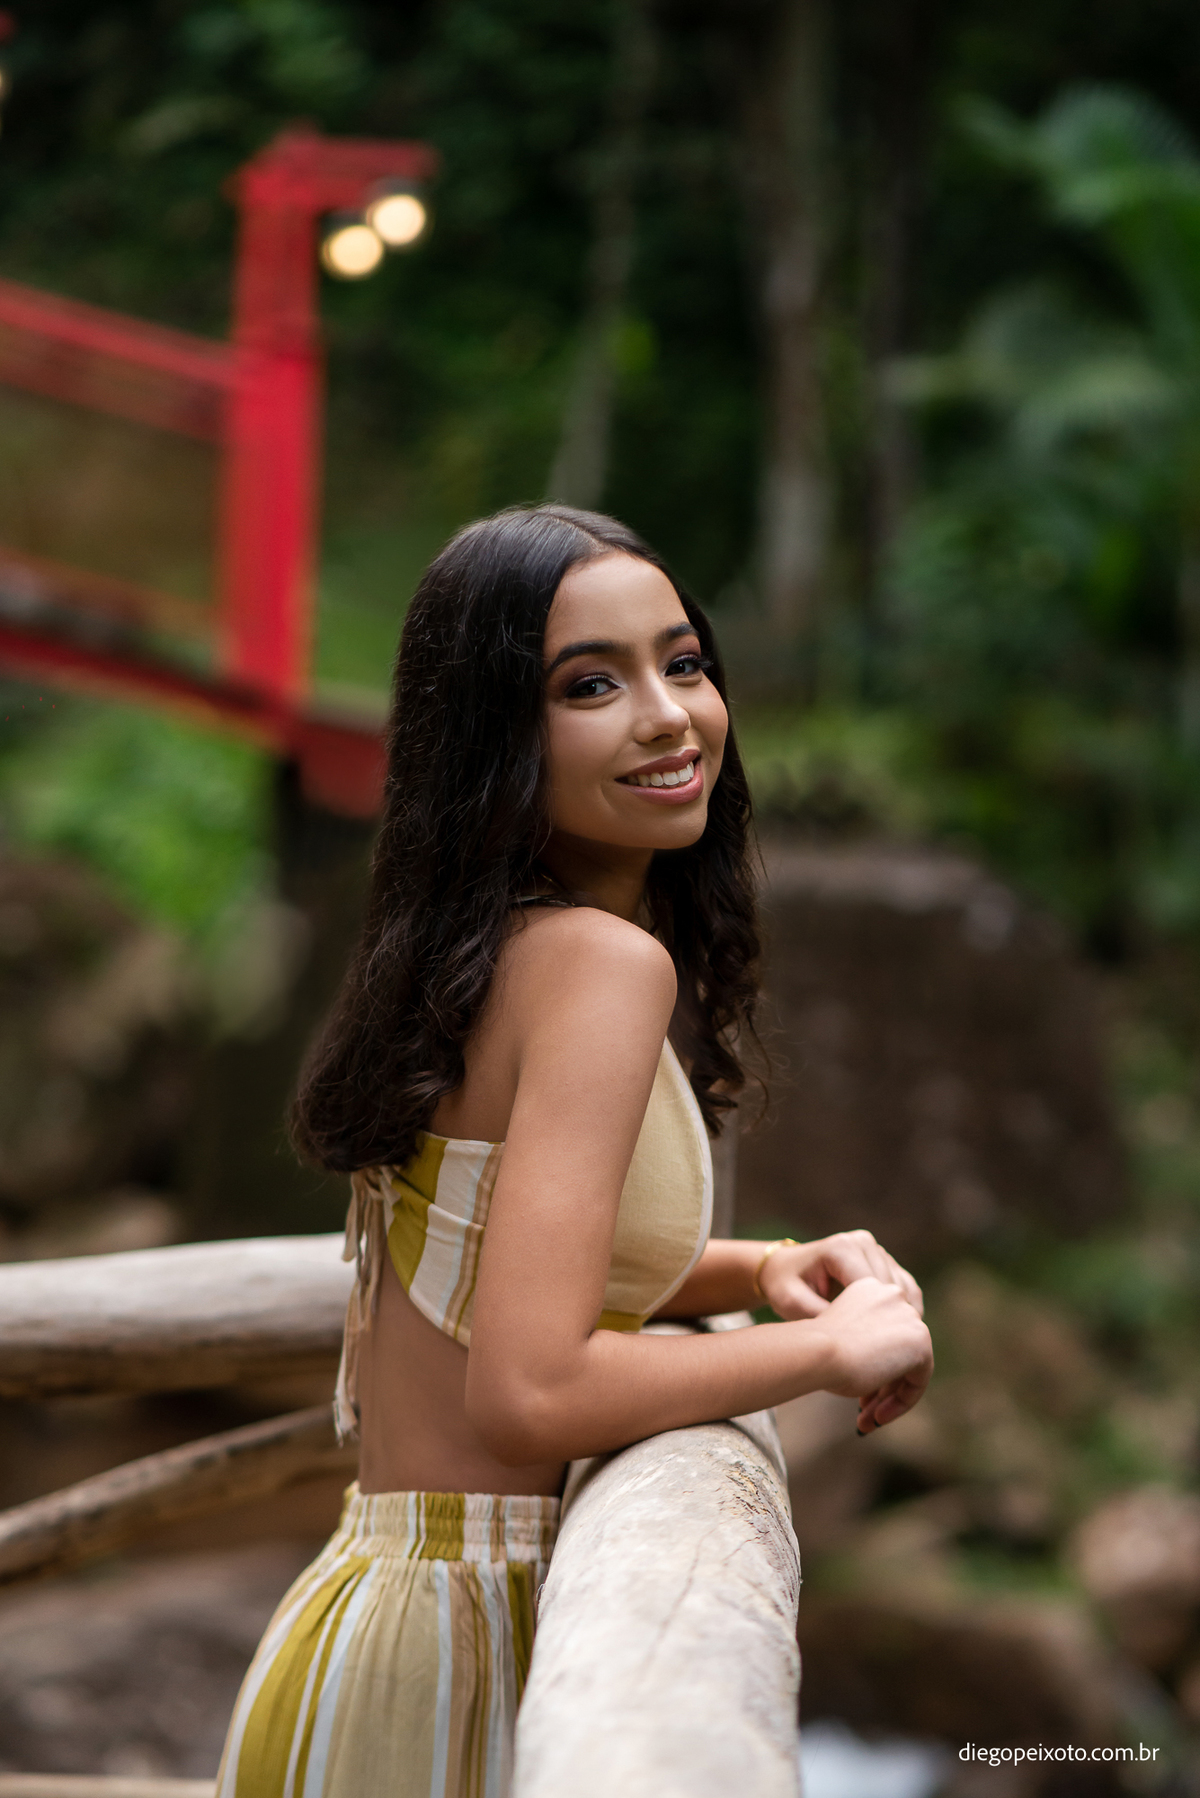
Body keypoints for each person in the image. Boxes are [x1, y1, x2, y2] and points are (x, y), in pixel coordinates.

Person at [215, 504, 932, 1798]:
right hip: (462, 1648)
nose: (668, 715)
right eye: (590, 684)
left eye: (685, 662)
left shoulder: (483, 956)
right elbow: (529, 1391)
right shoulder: (599, 968)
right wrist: (827, 1351)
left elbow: (520, 1258)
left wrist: (760, 1269)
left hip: (379, 1616)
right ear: (494, 734)